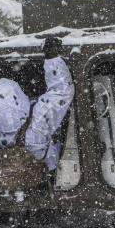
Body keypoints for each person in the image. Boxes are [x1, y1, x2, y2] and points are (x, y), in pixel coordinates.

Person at [25, 37, 75, 170]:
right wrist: (52, 59)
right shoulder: (39, 117)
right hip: (43, 175)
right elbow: (62, 92)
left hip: (7, 183)